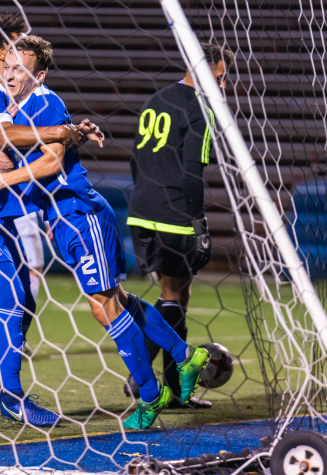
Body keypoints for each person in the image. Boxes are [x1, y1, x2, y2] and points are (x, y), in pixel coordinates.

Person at [0, 35, 210, 430]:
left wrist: (3, 179)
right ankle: (185, 355)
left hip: (80, 214)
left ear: (38, 74)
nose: (10, 75)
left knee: (104, 306)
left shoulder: (44, 102)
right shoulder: (20, 106)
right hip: (62, 218)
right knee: (118, 299)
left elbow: (52, 163)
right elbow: (24, 140)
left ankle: (150, 395)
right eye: (7, 67)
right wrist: (70, 131)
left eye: (20, 69)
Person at [0, 13, 103, 427]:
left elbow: (35, 133)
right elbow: (8, 136)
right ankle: (12, 397)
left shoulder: (16, 97)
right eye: (14, 48)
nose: (19, 57)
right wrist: (63, 132)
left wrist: (72, 132)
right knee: (12, 295)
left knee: (25, 299)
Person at [125, 43, 234, 408]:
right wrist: (199, 223)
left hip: (141, 206)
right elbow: (192, 174)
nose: (222, 86)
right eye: (219, 77)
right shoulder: (200, 109)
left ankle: (173, 389)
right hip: (172, 211)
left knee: (177, 295)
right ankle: (141, 376)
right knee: (174, 296)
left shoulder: (156, 99)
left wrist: (144, 194)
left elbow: (134, 158)